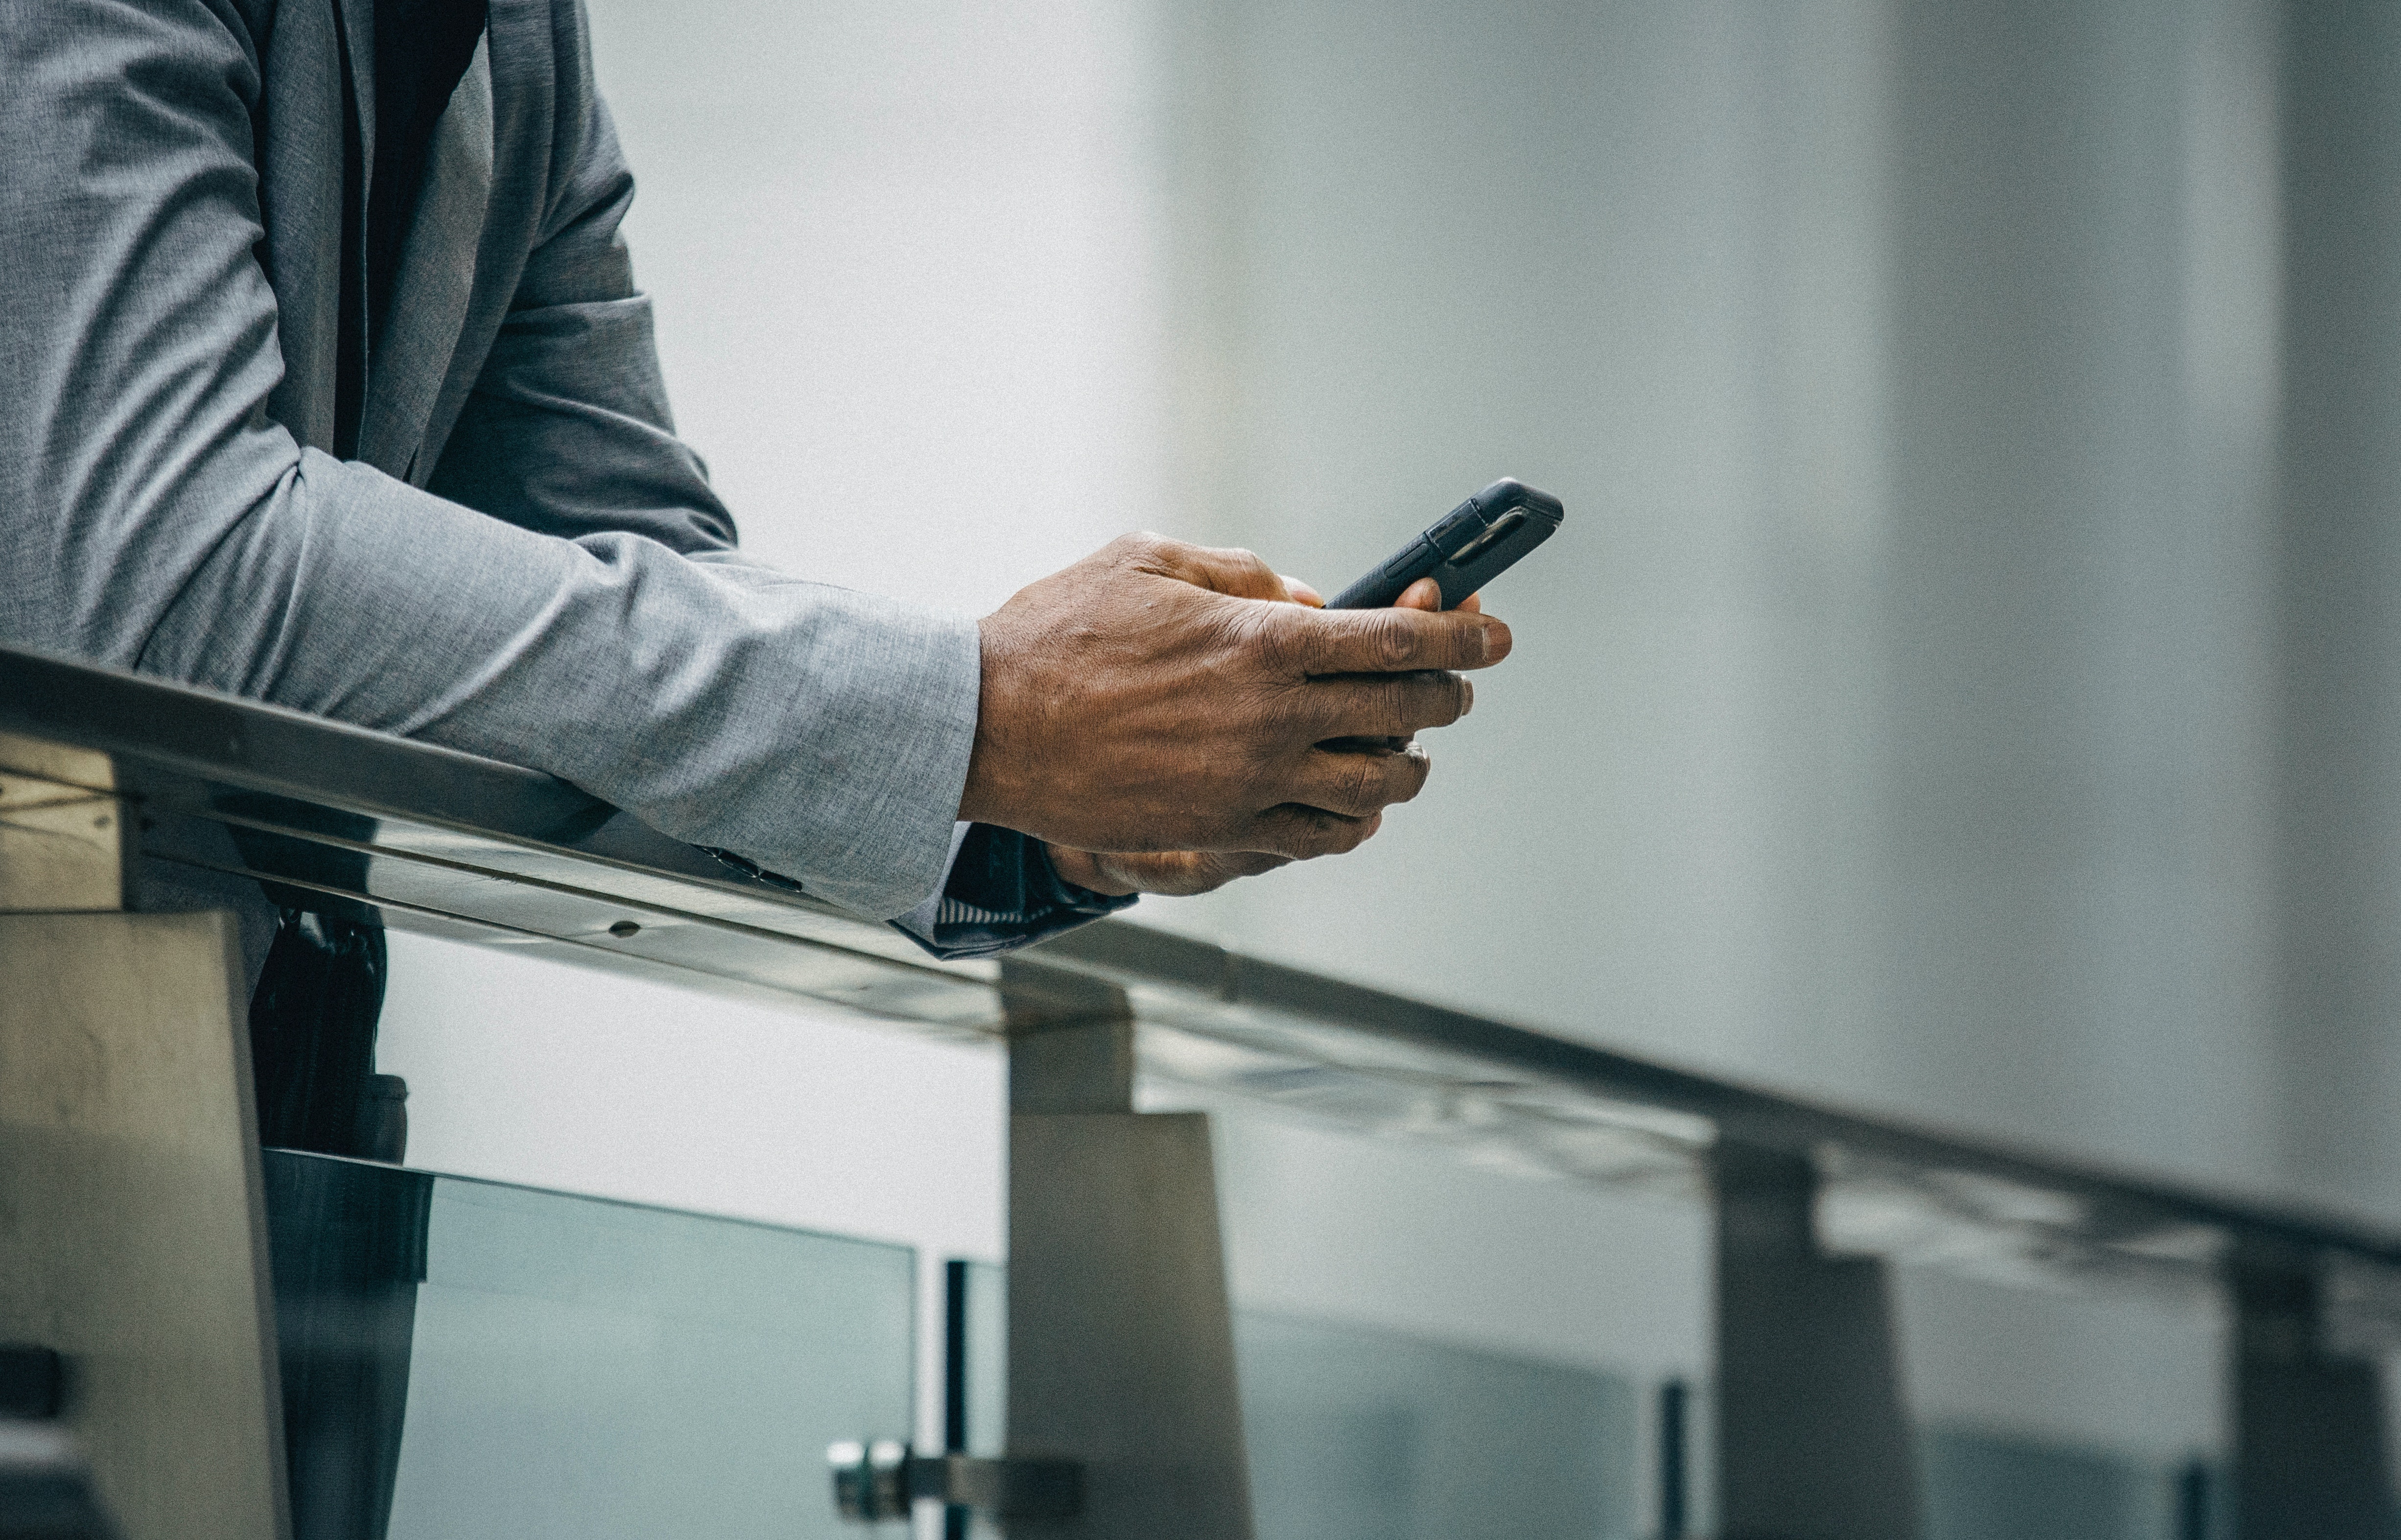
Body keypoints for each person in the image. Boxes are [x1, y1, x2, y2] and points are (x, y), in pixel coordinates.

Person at [0, 0, 1513, 1121]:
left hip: (236, 1094)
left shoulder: (517, 34)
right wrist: (983, 719)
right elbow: (164, 567)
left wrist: (1028, 812)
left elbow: (628, 580)